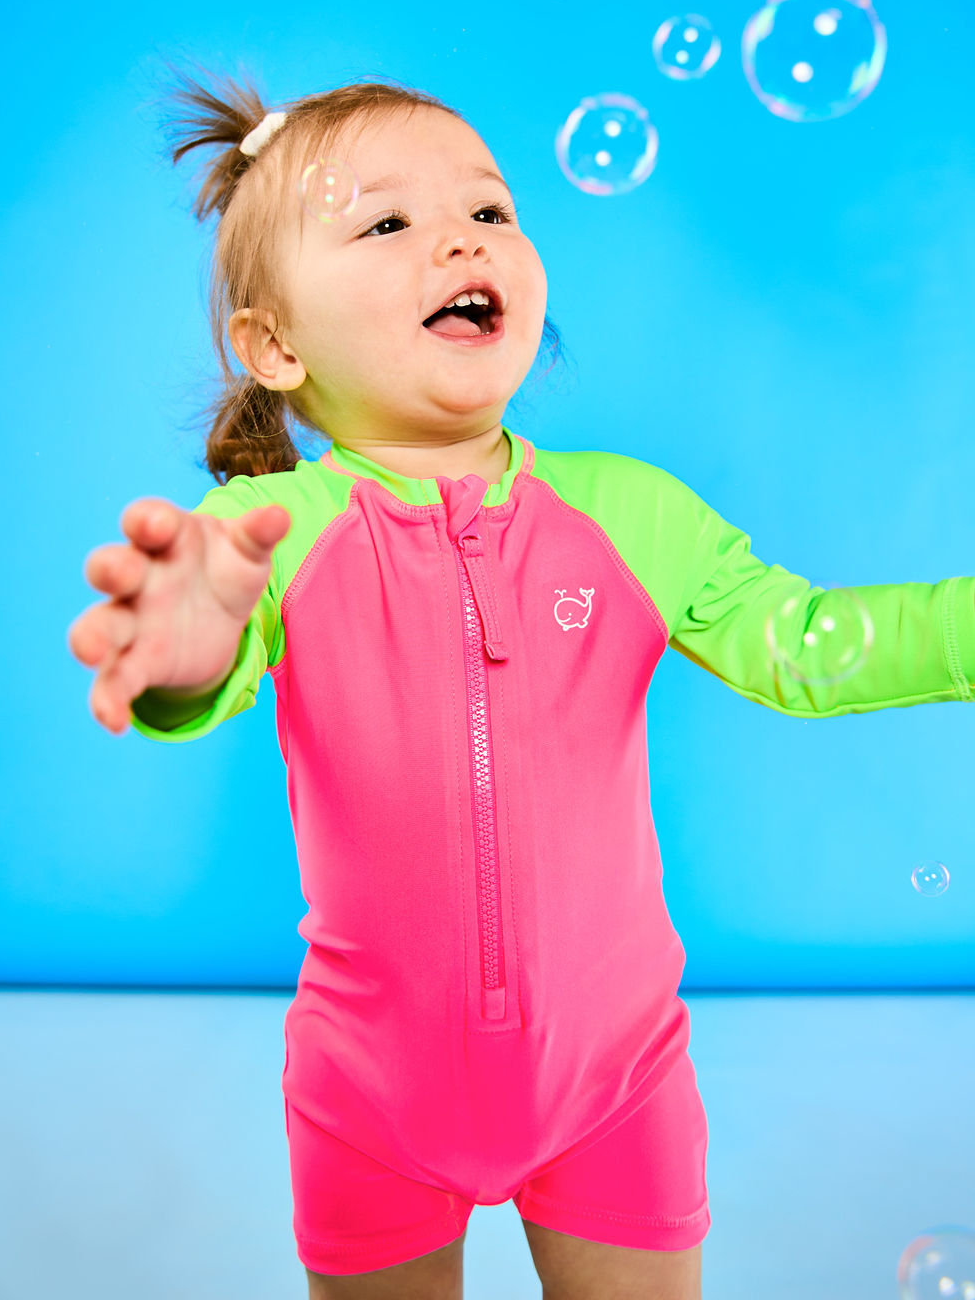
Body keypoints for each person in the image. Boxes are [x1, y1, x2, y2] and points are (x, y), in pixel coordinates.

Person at [67, 67, 975, 1300]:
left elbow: (803, 644)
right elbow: (209, 663)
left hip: (618, 1083)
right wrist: (183, 650)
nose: (457, 236)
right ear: (273, 344)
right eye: (385, 222)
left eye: (488, 212)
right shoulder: (268, 531)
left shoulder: (627, 514)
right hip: (368, 1099)